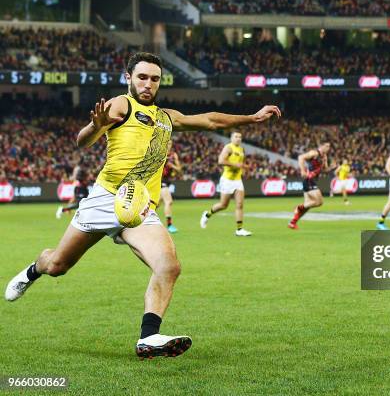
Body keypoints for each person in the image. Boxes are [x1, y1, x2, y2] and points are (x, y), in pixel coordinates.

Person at [5, 52, 281, 358]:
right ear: (128, 77)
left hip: (138, 207)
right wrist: (95, 127)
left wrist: (252, 117)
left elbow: (211, 119)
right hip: (105, 199)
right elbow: (83, 141)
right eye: (142, 77)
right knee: (57, 265)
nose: (148, 84)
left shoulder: (167, 118)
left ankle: (149, 337)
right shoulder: (122, 104)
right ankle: (33, 271)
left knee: (169, 266)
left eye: (154, 79)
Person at [200, 131, 252, 236]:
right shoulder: (228, 148)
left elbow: (240, 164)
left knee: (240, 204)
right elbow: (221, 161)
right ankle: (207, 214)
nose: (238, 138)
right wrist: (235, 165)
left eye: (240, 137)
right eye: (236, 136)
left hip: (237, 180)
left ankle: (239, 229)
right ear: (231, 138)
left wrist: (245, 169)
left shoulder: (242, 149)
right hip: (227, 180)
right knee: (223, 205)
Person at [288, 140, 330, 229]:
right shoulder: (314, 153)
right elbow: (301, 157)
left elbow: (325, 170)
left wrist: (332, 167)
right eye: (326, 146)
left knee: (307, 206)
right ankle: (298, 207)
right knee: (319, 202)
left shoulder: (324, 157)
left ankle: (293, 222)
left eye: (329, 147)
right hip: (309, 180)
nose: (328, 148)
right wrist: (303, 170)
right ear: (321, 146)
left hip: (312, 180)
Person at [160, 145, 182, 233]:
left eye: (170, 144)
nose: (168, 146)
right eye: (167, 143)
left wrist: (172, 166)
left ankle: (139, 221)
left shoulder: (173, 155)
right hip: (159, 180)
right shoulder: (160, 153)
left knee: (155, 205)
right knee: (168, 201)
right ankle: (169, 225)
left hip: (167, 181)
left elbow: (179, 169)